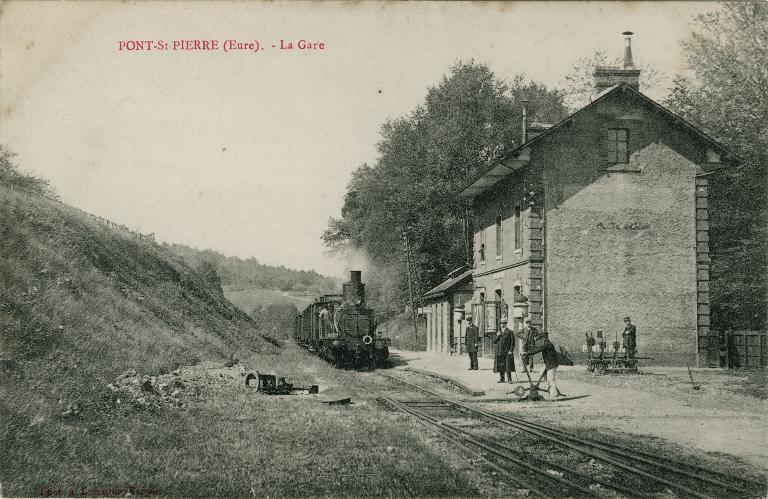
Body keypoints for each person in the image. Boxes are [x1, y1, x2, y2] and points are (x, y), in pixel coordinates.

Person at [520, 323, 564, 398]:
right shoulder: (546, 343)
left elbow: (538, 349)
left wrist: (526, 353)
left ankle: (554, 396)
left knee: (551, 380)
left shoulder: (547, 344)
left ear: (544, 338)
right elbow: (537, 348)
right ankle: (552, 389)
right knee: (541, 373)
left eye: (541, 338)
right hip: (548, 364)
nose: (540, 340)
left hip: (551, 365)